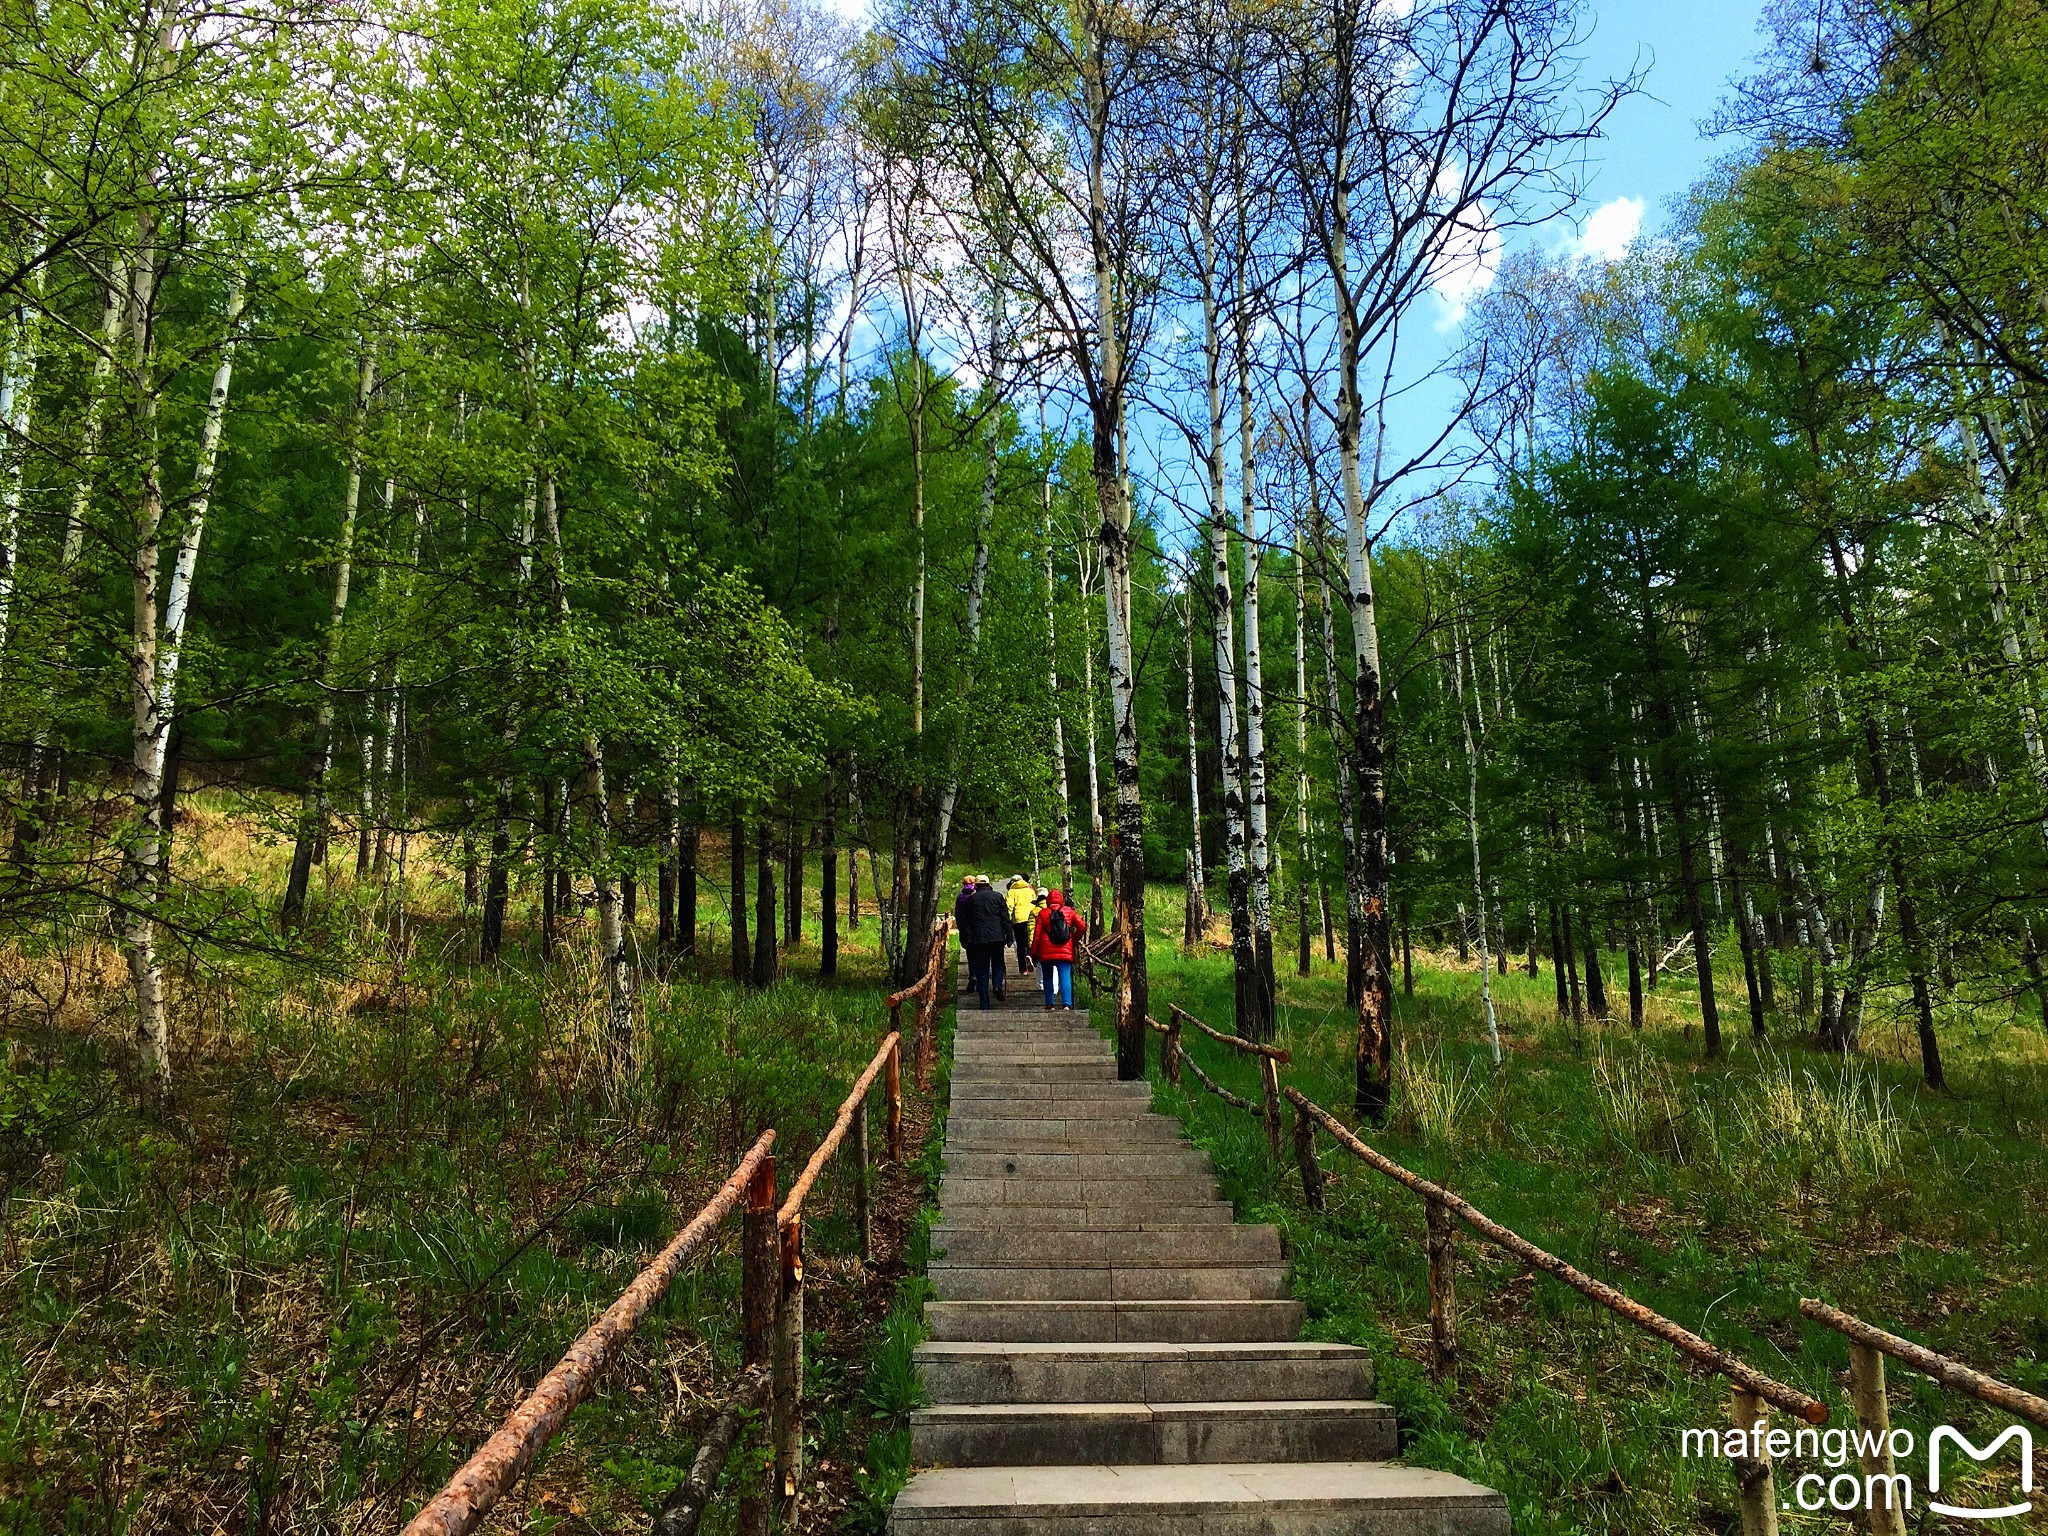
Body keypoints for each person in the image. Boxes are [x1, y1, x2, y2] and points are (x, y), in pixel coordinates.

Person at [1030, 886, 1085, 1011]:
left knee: (1048, 977)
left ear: (1048, 899)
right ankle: (1066, 1004)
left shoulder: (1043, 913)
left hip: (1046, 951)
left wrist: (1033, 952)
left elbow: (1037, 935)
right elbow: (1082, 926)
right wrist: (1073, 941)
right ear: (1061, 899)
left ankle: (1050, 1004)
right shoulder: (1069, 911)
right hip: (1065, 950)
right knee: (1065, 976)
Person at [961, 875, 1012, 1008]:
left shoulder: (971, 900)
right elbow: (1005, 917)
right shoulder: (998, 897)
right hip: (997, 937)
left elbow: (967, 922)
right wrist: (1009, 936)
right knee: (998, 963)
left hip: (979, 939)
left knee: (982, 969)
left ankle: (984, 1002)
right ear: (989, 885)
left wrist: (967, 939)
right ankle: (996, 986)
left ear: (976, 886)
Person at [1004, 875, 1038, 975]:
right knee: (1029, 940)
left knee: (1020, 944)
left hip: (1018, 920)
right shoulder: (1030, 890)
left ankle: (1023, 969)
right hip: (1030, 918)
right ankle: (1029, 955)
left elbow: (1009, 907)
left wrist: (1008, 920)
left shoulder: (1011, 892)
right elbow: (1035, 902)